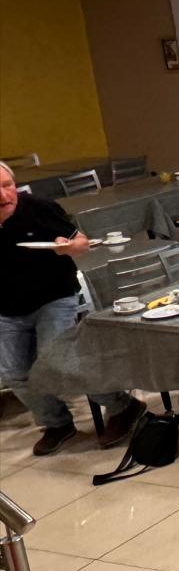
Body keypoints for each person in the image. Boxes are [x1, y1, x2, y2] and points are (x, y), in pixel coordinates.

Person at [0, 161, 143, 456]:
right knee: (15, 373)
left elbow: (82, 243)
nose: (4, 195)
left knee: (59, 360)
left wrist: (67, 247)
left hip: (54, 297)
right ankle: (57, 424)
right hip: (8, 308)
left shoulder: (39, 208)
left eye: (7, 185)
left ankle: (123, 406)